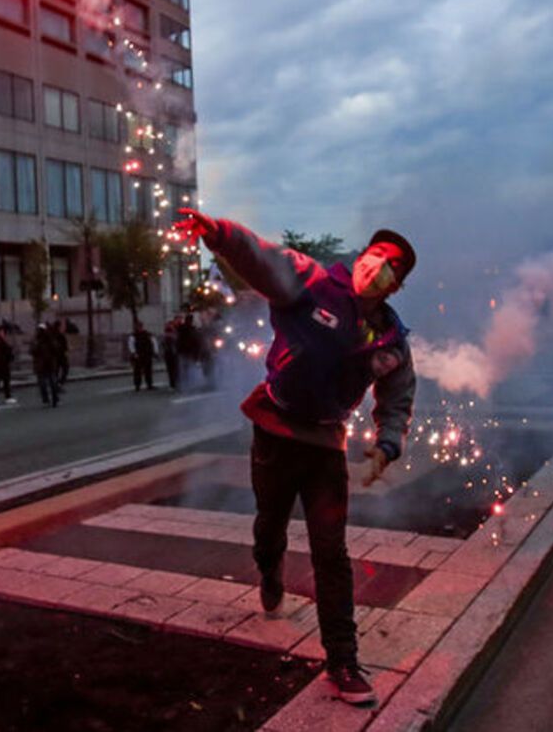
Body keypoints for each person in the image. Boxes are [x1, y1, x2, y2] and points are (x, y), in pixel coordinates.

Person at [172, 208, 417, 708]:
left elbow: (397, 398)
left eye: (389, 265)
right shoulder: (313, 283)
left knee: (332, 553)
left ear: (396, 285)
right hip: (276, 431)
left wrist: (387, 444)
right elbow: (262, 258)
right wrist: (218, 234)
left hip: (326, 444)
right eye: (373, 254)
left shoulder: (392, 341)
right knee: (270, 527)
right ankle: (270, 573)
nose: (376, 266)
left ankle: (343, 661)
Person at [30, 323, 61, 408]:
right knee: (44, 383)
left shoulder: (49, 339)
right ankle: (47, 398)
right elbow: (32, 351)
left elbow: (56, 348)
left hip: (48, 363)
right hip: (42, 364)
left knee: (50, 382)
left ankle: (53, 398)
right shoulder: (37, 340)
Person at [130, 321, 156, 391]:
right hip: (138, 354)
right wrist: (134, 353)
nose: (138, 328)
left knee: (148, 370)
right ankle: (137, 385)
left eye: (139, 326)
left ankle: (149, 384)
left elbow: (153, 342)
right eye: (137, 326)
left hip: (147, 354)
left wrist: (154, 352)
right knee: (137, 371)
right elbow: (131, 345)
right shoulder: (134, 335)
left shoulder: (147, 334)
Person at [162, 317, 181, 391]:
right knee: (172, 370)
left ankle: (175, 383)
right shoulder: (168, 335)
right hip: (170, 353)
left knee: (174, 369)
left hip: (173, 353)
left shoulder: (174, 334)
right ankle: (173, 384)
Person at [51, 321, 70, 385]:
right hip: (60, 355)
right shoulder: (60, 335)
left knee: (56, 370)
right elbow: (65, 346)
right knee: (65, 368)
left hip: (55, 355)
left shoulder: (52, 335)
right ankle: (60, 383)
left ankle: (56, 383)